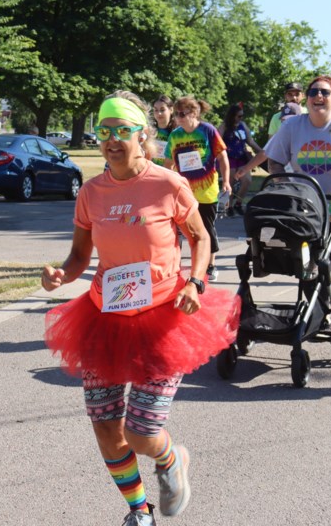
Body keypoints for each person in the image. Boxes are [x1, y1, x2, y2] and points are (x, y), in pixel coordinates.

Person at [41, 91, 238, 525]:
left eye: (122, 131)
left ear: (142, 134)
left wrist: (195, 281)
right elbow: (77, 257)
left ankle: (171, 460)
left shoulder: (168, 184)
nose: (112, 140)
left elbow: (200, 237)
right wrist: (61, 275)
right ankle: (139, 510)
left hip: (164, 318)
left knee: (141, 430)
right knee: (106, 427)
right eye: (104, 131)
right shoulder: (91, 193)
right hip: (104, 317)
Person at [264, 75, 331, 316]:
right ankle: (321, 313)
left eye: (325, 92)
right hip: (305, 204)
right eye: (313, 92)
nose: (318, 97)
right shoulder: (292, 126)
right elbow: (274, 161)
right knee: (306, 263)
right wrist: (286, 186)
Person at [167, 96, 230, 282]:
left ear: (194, 113)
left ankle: (210, 266)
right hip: (184, 192)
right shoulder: (175, 136)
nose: (178, 118)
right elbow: (168, 163)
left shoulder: (208, 131)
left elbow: (222, 157)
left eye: (182, 114)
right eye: (176, 114)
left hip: (206, 190)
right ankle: (177, 265)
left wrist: (226, 181)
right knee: (180, 230)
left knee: (206, 229)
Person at [221, 103, 263, 216]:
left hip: (241, 157)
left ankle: (238, 204)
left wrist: (262, 152)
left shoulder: (243, 125)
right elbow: (217, 141)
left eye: (242, 116)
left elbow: (250, 141)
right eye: (239, 116)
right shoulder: (224, 126)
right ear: (232, 116)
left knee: (247, 180)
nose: (241, 118)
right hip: (229, 158)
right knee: (230, 182)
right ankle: (228, 207)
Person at [150, 94, 173, 168]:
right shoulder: (149, 131)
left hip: (171, 174)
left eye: (162, 110)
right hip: (152, 172)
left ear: (171, 110)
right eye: (156, 110)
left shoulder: (178, 133)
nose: (159, 113)